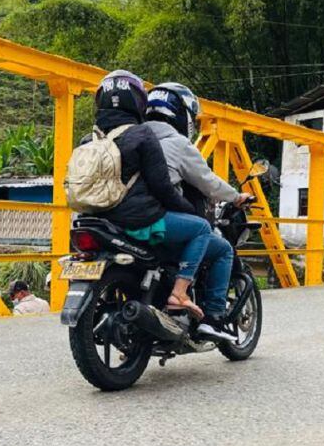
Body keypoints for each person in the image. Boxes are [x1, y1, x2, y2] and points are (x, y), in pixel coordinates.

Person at [83, 69, 208, 318]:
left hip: (92, 218)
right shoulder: (143, 135)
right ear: (138, 102)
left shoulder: (89, 140)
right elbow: (161, 187)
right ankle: (179, 294)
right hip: (137, 219)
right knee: (201, 228)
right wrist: (188, 209)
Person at [145, 82, 254, 335]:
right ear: (181, 114)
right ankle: (212, 316)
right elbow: (208, 181)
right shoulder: (177, 143)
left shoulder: (132, 136)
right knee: (221, 248)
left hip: (125, 219)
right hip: (157, 221)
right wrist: (236, 196)